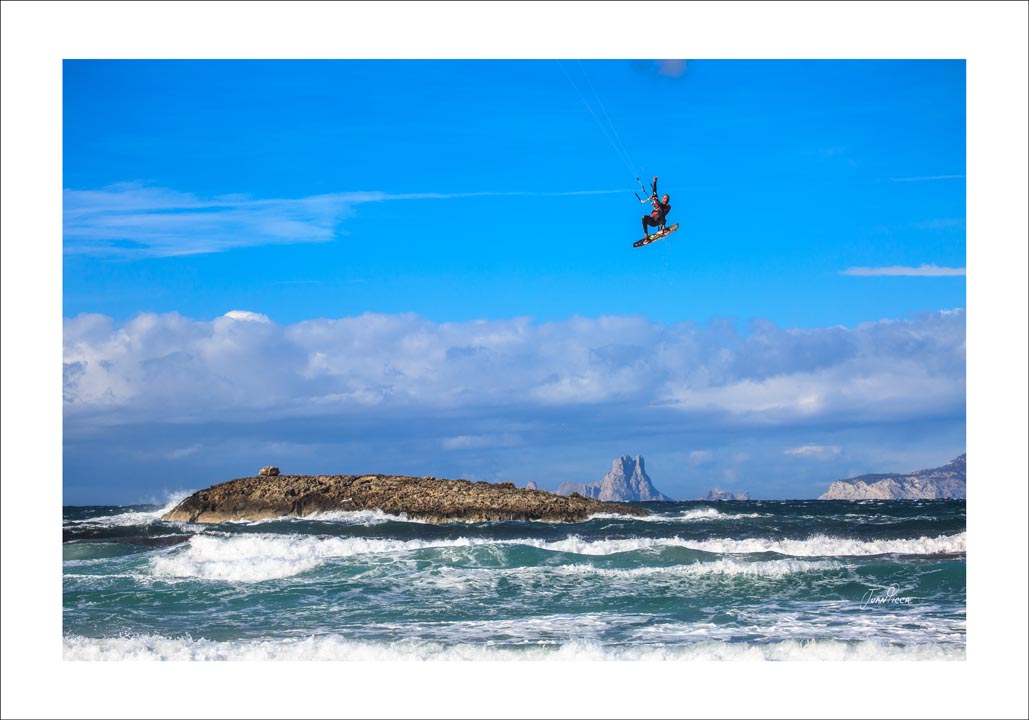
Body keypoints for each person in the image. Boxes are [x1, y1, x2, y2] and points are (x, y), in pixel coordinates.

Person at [641, 176, 671, 241]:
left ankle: (663, 228)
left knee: (660, 209)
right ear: (662, 198)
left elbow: (661, 207)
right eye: (665, 198)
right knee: (643, 217)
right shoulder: (657, 201)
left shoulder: (668, 206)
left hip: (659, 221)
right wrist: (655, 182)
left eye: (667, 198)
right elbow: (654, 191)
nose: (666, 199)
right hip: (652, 221)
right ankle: (646, 236)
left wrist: (655, 200)